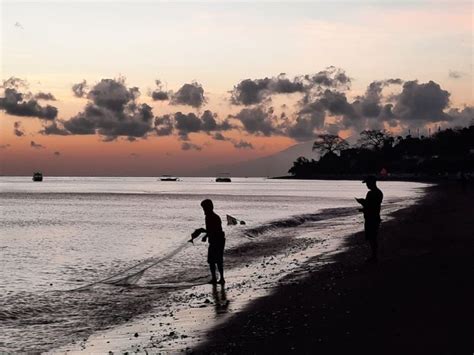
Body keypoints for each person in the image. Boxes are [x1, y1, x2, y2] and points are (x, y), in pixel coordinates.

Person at [190, 199, 226, 284]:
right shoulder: (211, 216)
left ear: (209, 208)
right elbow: (211, 230)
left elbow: (214, 230)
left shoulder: (211, 217)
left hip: (217, 241)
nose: (203, 210)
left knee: (216, 260)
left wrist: (205, 235)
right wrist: (204, 233)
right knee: (213, 261)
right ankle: (216, 278)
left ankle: (220, 279)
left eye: (204, 208)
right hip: (217, 240)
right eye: (203, 209)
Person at [356, 175, 383, 262]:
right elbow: (374, 206)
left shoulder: (371, 193)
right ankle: (374, 256)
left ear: (372, 183)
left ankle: (374, 257)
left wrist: (362, 202)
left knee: (372, 238)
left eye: (367, 183)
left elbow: (368, 206)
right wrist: (363, 208)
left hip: (371, 218)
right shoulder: (379, 192)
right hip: (375, 217)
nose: (367, 185)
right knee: (373, 237)